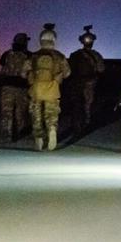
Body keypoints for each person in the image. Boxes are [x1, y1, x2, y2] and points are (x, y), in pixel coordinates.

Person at [22, 23, 70, 151]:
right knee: (51, 113)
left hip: (36, 89)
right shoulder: (59, 56)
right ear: (54, 40)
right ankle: (52, 129)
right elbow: (67, 73)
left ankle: (38, 138)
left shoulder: (33, 56)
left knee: (36, 114)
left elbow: (23, 73)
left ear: (41, 40)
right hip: (53, 89)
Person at [68, 25, 106, 133]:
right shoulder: (96, 55)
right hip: (90, 83)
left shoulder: (74, 54)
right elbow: (101, 69)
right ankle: (86, 123)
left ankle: (76, 123)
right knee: (88, 103)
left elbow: (68, 70)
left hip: (76, 82)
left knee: (76, 102)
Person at [0, 33, 31, 142]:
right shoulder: (29, 55)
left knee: (6, 112)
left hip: (7, 87)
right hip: (22, 88)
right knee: (21, 112)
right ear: (25, 43)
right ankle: (19, 133)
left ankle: (7, 134)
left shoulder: (6, 54)